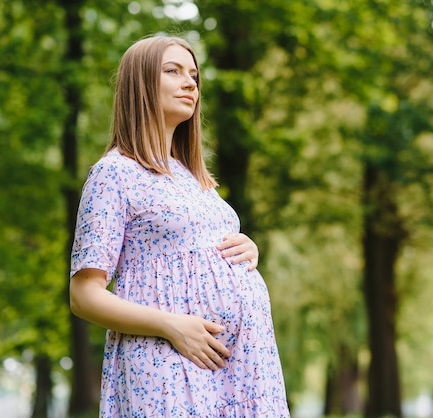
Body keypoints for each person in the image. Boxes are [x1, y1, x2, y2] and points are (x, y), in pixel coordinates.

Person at [69, 35, 289, 417]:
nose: (190, 83)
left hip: (238, 372)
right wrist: (171, 326)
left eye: (194, 75)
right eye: (172, 71)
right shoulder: (115, 173)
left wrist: (247, 251)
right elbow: (84, 295)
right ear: (139, 85)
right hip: (167, 365)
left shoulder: (195, 179)